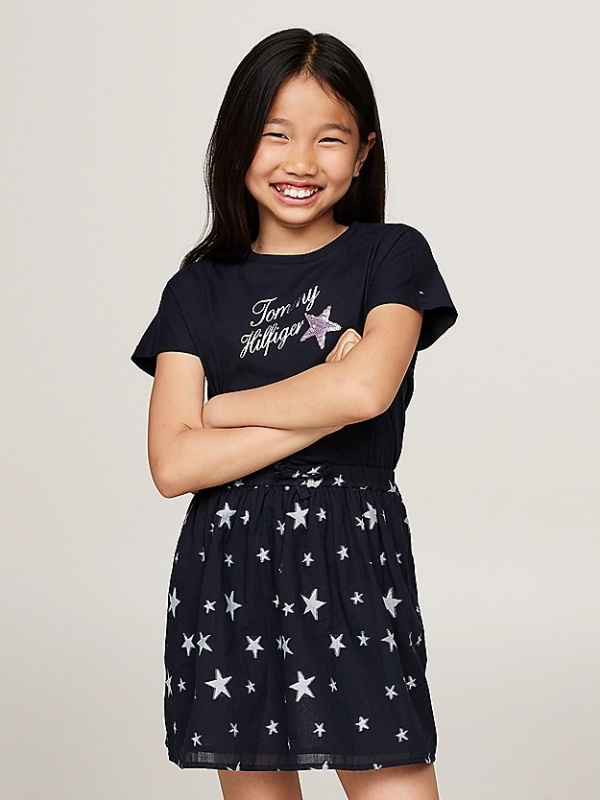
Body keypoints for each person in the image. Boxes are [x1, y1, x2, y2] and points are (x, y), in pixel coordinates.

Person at [131, 28, 458, 800]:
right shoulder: (196, 289)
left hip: (350, 558)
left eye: (329, 138)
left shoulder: (391, 255)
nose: (301, 162)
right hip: (229, 565)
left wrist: (224, 411)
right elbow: (174, 464)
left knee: (394, 773)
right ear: (237, 140)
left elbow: (367, 393)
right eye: (276, 134)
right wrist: (324, 398)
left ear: (364, 152)